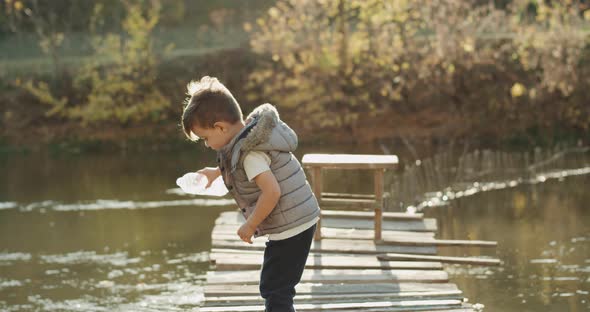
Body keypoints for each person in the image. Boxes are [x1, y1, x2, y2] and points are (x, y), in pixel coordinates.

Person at [180, 76, 320, 312]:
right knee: (276, 286)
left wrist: (251, 223)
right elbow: (240, 170)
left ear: (221, 127)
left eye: (205, 138)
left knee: (276, 289)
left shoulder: (251, 154)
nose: (206, 144)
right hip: (295, 222)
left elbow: (272, 192)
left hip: (292, 225)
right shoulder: (246, 142)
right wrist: (216, 173)